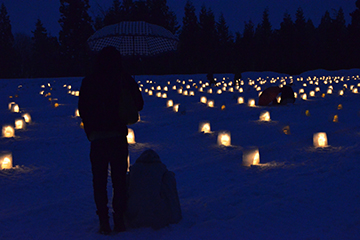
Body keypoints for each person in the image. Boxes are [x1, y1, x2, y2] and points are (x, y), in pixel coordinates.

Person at [78, 46, 144, 235]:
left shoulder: (89, 81)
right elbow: (139, 104)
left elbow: (83, 109)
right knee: (119, 180)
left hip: (97, 138)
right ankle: (119, 219)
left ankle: (103, 221)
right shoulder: (123, 78)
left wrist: (91, 130)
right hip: (117, 137)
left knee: (98, 180)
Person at [126, 149, 182, 229]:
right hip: (159, 216)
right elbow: (170, 193)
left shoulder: (134, 172)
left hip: (134, 215)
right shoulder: (162, 172)